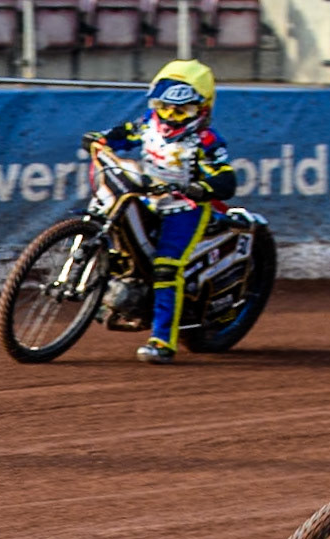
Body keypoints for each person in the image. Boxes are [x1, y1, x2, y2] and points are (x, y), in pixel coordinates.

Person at [81, 59, 237, 365]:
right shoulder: (148, 123)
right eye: (164, 108)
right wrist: (99, 138)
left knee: (166, 266)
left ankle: (163, 341)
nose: (170, 117)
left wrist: (201, 188)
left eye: (181, 111)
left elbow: (226, 178)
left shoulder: (207, 141)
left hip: (185, 207)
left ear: (200, 110)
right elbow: (123, 134)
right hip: (147, 194)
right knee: (116, 231)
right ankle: (102, 294)